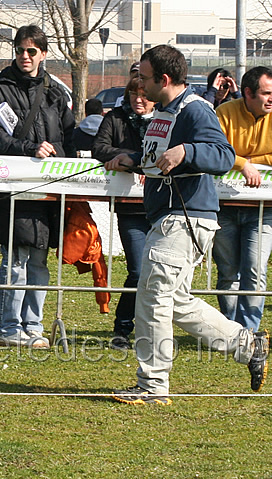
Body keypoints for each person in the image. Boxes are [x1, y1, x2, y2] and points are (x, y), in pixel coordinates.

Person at [104, 44, 269, 405]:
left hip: (185, 217)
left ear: (163, 79)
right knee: (175, 300)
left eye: (143, 77)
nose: (139, 84)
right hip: (170, 217)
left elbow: (223, 154)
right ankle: (249, 344)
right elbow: (156, 158)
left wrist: (187, 151)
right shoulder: (165, 112)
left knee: (153, 298)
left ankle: (152, 386)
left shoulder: (195, 109)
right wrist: (129, 158)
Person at [0, 24, 75, 348]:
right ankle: (7, 328)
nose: (24, 56)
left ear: (43, 54)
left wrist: (54, 152)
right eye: (20, 50)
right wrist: (28, 149)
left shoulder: (55, 92)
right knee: (15, 258)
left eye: (31, 51)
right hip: (12, 188)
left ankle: (33, 327)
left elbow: (69, 139)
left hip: (48, 192)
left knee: (39, 261)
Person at [92, 75, 154, 350]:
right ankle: (123, 327)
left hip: (164, 206)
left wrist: (141, 162)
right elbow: (99, 148)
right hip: (130, 208)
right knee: (138, 271)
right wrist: (132, 160)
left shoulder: (167, 117)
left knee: (160, 273)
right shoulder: (115, 117)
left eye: (144, 94)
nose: (138, 99)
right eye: (133, 94)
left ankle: (152, 327)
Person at [213, 66, 272, 333]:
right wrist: (241, 164)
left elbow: (229, 156)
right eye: (266, 93)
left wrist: (248, 162)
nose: (271, 99)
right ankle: (231, 330)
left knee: (255, 271)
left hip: (263, 210)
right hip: (224, 207)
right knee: (228, 273)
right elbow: (216, 151)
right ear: (248, 93)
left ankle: (248, 331)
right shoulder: (224, 113)